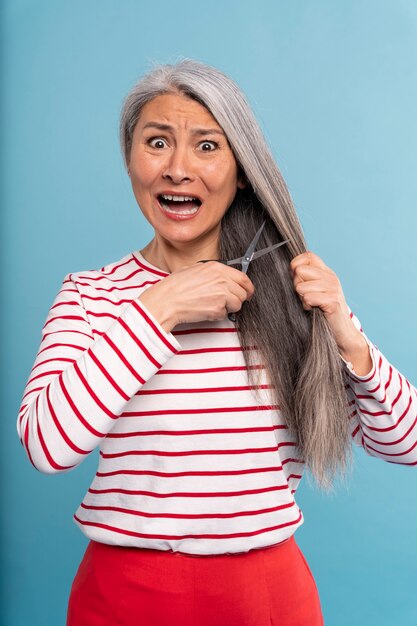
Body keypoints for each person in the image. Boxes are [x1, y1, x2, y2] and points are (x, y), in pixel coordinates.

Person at [17, 60, 416, 626]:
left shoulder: (295, 298)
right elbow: (47, 446)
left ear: (243, 171)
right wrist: (160, 308)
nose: (178, 169)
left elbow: (408, 443)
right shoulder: (89, 296)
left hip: (268, 595)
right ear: (129, 159)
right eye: (157, 142)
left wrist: (348, 337)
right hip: (124, 593)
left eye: (207, 147)